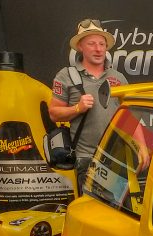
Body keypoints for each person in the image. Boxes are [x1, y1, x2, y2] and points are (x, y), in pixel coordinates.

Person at [49, 19, 130, 191]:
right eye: (91, 44)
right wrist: (77, 108)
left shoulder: (118, 77)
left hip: (117, 157)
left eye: (102, 44)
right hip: (86, 158)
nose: (98, 49)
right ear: (80, 46)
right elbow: (53, 114)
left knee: (118, 206)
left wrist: (142, 147)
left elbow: (129, 116)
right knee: (91, 207)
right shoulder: (66, 76)